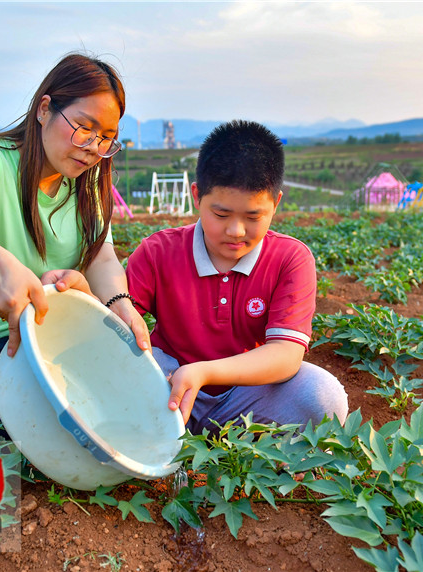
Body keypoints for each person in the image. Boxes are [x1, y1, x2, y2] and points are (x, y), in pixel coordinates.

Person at [0, 53, 149, 424]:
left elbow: (100, 255)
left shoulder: (84, 186)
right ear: (44, 109)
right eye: (84, 128)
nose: (93, 148)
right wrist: (0, 267)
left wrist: (119, 302)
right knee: (74, 414)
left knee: (126, 395)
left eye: (107, 139)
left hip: (42, 334)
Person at [126, 120, 348, 435]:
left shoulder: (291, 259)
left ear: (276, 204)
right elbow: (115, 326)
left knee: (322, 398)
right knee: (129, 373)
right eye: (221, 215)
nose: (236, 231)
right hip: (170, 387)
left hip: (246, 397)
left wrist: (203, 372)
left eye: (253, 217)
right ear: (196, 196)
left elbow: (285, 356)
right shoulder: (157, 252)